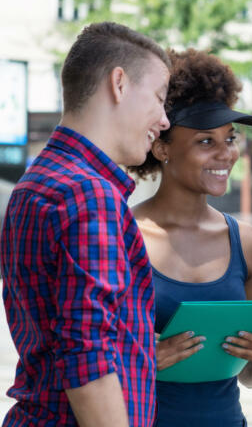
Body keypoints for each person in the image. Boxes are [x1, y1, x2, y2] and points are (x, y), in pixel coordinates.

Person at [1, 22, 170, 426]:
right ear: (120, 84)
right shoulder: (89, 194)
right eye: (160, 99)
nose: (164, 120)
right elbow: (88, 357)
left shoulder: (36, 181)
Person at [128, 48, 252, 427]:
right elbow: (85, 363)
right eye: (205, 142)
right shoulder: (123, 237)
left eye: (229, 139)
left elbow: (250, 377)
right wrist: (143, 360)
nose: (226, 154)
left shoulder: (248, 244)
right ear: (162, 147)